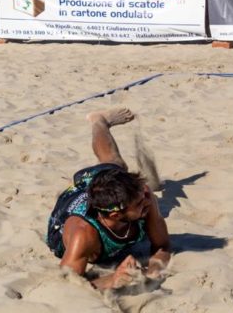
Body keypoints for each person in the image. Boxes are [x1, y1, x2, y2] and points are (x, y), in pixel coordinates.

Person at [46, 107, 171, 290]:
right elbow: (69, 284)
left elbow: (163, 245)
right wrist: (113, 279)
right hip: (66, 217)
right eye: (139, 202)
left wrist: (151, 270)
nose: (147, 198)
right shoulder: (84, 235)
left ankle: (99, 121)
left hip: (99, 191)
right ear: (115, 215)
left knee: (115, 163)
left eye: (144, 194)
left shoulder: (143, 195)